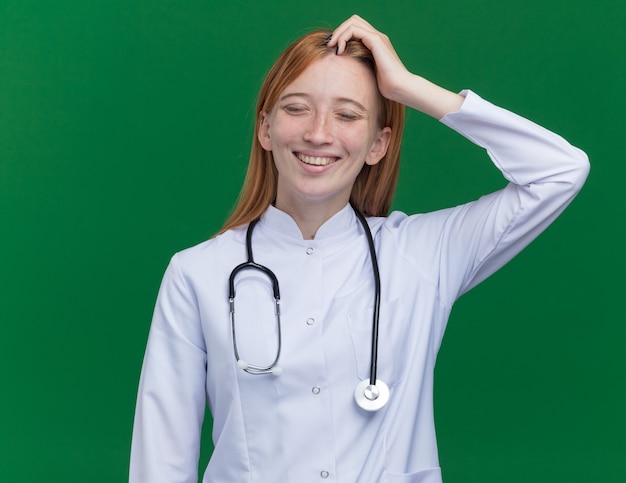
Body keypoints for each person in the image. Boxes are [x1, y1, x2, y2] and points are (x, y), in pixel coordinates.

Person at [130, 15, 589, 483]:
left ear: (378, 144)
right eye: (296, 109)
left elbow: (560, 171)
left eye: (348, 115)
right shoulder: (197, 273)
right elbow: (160, 461)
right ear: (265, 129)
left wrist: (408, 87)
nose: (319, 133)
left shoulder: (422, 254)